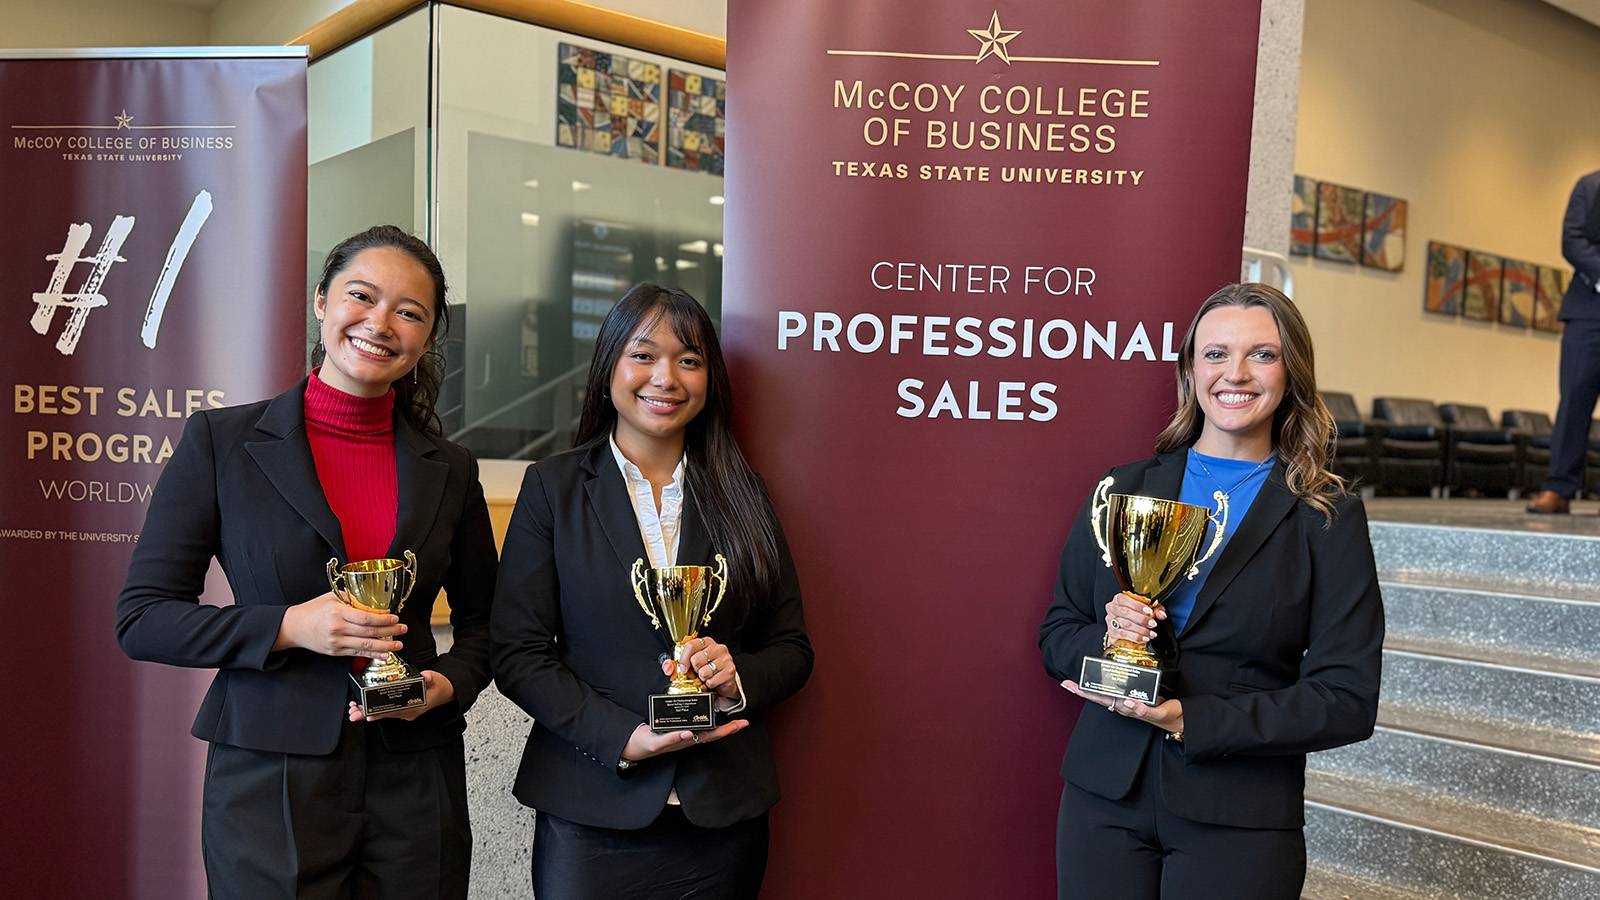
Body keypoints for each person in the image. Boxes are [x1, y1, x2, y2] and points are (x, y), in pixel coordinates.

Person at [116, 226, 497, 900]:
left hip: (416, 776)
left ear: (427, 338)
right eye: (362, 296)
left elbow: (487, 625)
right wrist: (290, 626)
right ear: (323, 301)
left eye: (409, 312)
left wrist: (442, 687)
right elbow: (144, 618)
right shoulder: (222, 443)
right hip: (269, 776)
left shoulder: (452, 468)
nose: (380, 323)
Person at [1038, 283, 1384, 899]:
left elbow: (1345, 699)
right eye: (1216, 354)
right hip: (1103, 797)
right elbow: (1058, 633)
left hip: (1238, 813)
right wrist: (1113, 640)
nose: (1236, 374)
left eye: (1263, 355)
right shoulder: (1122, 489)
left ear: (1292, 373)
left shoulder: (1325, 516)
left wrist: (1189, 719)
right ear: (1191, 370)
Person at [491, 282, 813, 900]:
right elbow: (518, 653)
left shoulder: (745, 493)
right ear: (609, 366)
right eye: (642, 355)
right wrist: (624, 738)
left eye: (689, 360)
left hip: (722, 815)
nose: (665, 377)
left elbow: (792, 648)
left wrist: (735, 680)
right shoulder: (553, 488)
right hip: (592, 811)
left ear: (709, 379)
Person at [1527, 169, 1600, 514]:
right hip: (1588, 312)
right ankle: (1559, 488)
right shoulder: (1590, 186)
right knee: (1574, 401)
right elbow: (1573, 240)